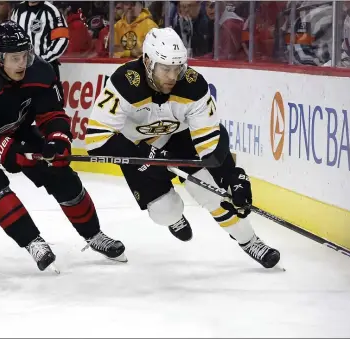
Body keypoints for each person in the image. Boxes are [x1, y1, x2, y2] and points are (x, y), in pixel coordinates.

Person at [85, 27, 280, 269]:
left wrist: (232, 176)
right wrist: (143, 158)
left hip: (179, 139)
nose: (172, 77)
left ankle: (250, 241)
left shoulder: (193, 85)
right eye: (165, 69)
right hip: (135, 148)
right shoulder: (125, 83)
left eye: (177, 68)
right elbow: (95, 139)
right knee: (164, 211)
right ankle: (174, 218)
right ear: (147, 61)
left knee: (212, 193)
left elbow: (211, 141)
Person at [0, 21, 126, 273]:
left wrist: (58, 139)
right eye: (15, 58)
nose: (23, 63)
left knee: (60, 172)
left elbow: (52, 114)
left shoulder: (39, 70)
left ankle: (94, 235)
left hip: (18, 131)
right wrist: (5, 150)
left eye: (25, 55)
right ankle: (33, 242)